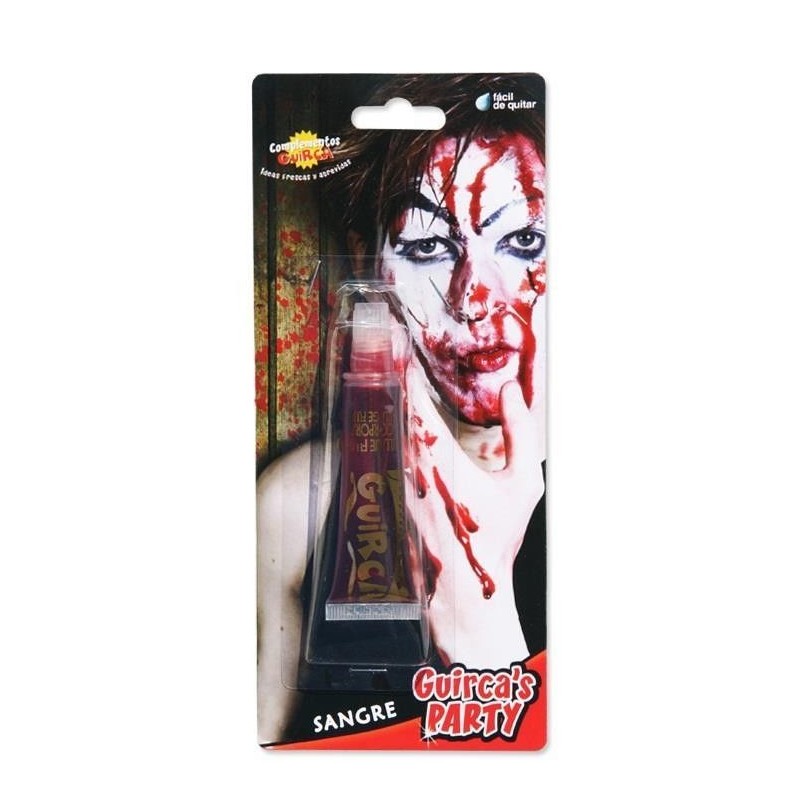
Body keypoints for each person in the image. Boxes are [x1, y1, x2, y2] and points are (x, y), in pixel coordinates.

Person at [257, 74, 546, 741]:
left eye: (524, 242)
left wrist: (479, 622)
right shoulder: (295, 506)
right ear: (368, 264)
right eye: (427, 246)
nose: (473, 299)